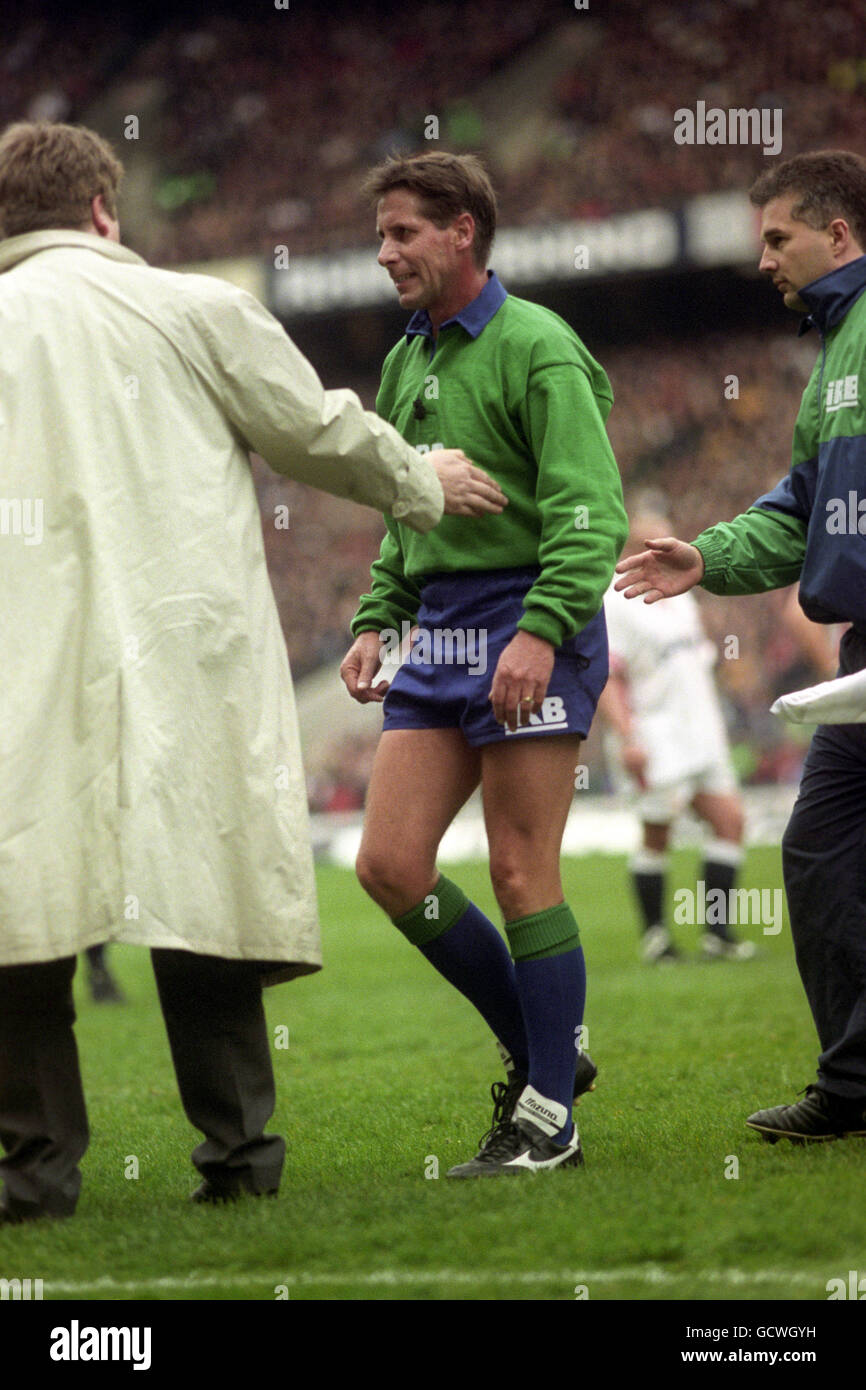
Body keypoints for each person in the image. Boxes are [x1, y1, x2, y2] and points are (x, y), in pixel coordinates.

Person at [0, 121, 506, 1224]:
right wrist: (419, 476)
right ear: (101, 210)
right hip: (181, 645)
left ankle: (32, 1176)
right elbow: (311, 430)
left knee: (16, 906)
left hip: (18, 662)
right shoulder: (190, 306)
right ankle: (238, 1157)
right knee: (201, 890)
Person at [340, 152, 627, 1176]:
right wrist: (380, 614)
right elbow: (401, 510)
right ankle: (546, 1049)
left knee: (517, 869)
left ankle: (549, 1117)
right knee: (387, 866)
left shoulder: (538, 345)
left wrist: (543, 630)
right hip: (442, 628)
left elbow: (592, 514)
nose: (385, 253)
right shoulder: (404, 360)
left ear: (463, 230)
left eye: (403, 232)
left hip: (525, 614)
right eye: (381, 235)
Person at [615, 150, 866, 1144]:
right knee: (816, 852)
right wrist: (705, 554)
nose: (761, 259)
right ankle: (851, 1089)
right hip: (857, 659)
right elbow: (798, 508)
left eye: (776, 239)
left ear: (836, 234)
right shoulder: (832, 355)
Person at [600, 495, 753, 964]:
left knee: (730, 821)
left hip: (701, 730)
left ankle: (716, 934)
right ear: (634, 542)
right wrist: (627, 736)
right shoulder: (615, 597)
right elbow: (609, 674)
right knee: (658, 832)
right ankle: (656, 939)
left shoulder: (682, 592)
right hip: (656, 732)